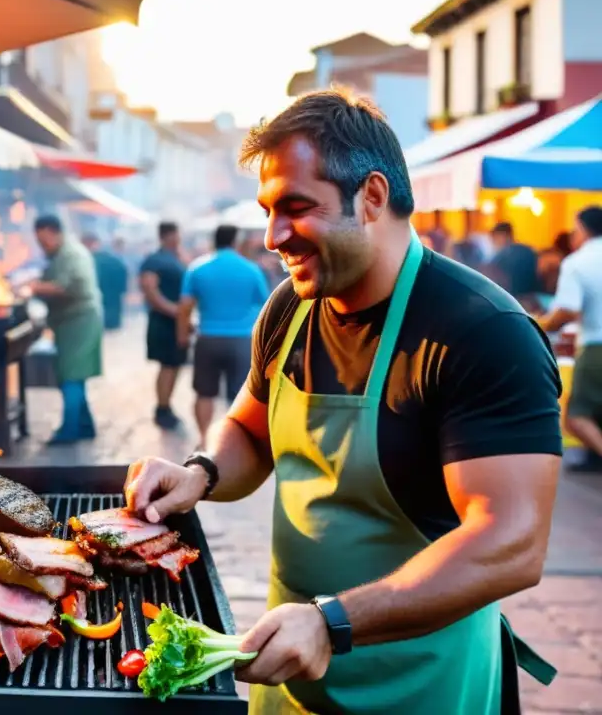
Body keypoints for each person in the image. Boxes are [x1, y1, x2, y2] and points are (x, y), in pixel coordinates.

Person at [123, 88, 561, 715]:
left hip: (422, 681)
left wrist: (332, 622)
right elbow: (250, 431)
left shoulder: (484, 332)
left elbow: (510, 543)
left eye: (296, 208)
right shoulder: (290, 307)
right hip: (291, 666)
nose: (274, 236)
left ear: (372, 197)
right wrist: (200, 473)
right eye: (268, 211)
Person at [177, 224, 270, 448]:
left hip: (207, 338)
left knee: (204, 392)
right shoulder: (251, 269)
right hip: (241, 341)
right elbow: (266, 305)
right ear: (237, 241)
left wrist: (182, 334)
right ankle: (232, 442)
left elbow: (185, 306)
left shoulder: (197, 268)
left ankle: (203, 438)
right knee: (238, 395)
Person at [27, 215, 104, 445]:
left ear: (54, 232)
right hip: (71, 322)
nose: (42, 245)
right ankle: (85, 426)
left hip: (79, 321)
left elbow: (63, 286)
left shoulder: (70, 253)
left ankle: (69, 431)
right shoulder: (61, 254)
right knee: (74, 375)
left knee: (71, 375)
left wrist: (31, 287)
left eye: (43, 240)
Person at [537, 207, 602, 467]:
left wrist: (538, 325)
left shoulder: (578, 262)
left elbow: (566, 310)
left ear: (583, 230)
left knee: (576, 417)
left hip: (595, 344)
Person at [140, 222, 187, 430]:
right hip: (163, 322)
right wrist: (174, 310)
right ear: (170, 235)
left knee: (174, 365)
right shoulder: (154, 260)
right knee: (167, 366)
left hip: (176, 322)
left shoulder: (176, 259)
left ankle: (166, 405)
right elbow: (150, 290)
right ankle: (162, 408)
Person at [485, 221, 541, 309]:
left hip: (510, 303)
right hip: (532, 300)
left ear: (502, 235)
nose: (494, 243)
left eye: (494, 239)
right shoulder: (529, 251)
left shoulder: (501, 256)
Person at [83, 233, 129, 330]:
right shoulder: (115, 261)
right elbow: (123, 285)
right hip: (113, 309)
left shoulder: (87, 262)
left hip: (91, 311)